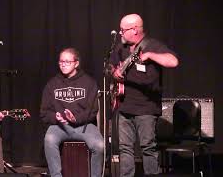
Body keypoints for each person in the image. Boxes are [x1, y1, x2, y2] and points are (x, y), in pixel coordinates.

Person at [110, 14, 179, 177]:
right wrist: (114, 72)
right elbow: (110, 66)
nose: (120, 33)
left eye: (123, 30)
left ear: (134, 30)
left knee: (148, 148)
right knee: (124, 148)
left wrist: (149, 55)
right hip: (125, 106)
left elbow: (173, 61)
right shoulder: (121, 48)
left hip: (146, 109)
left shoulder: (152, 45)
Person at [40, 48, 104, 177]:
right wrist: (56, 117)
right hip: (59, 126)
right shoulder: (52, 84)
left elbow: (92, 110)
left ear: (76, 63)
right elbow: (44, 112)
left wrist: (75, 118)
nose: (63, 64)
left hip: (84, 126)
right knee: (49, 139)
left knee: (99, 145)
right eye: (61, 61)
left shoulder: (89, 82)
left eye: (67, 62)